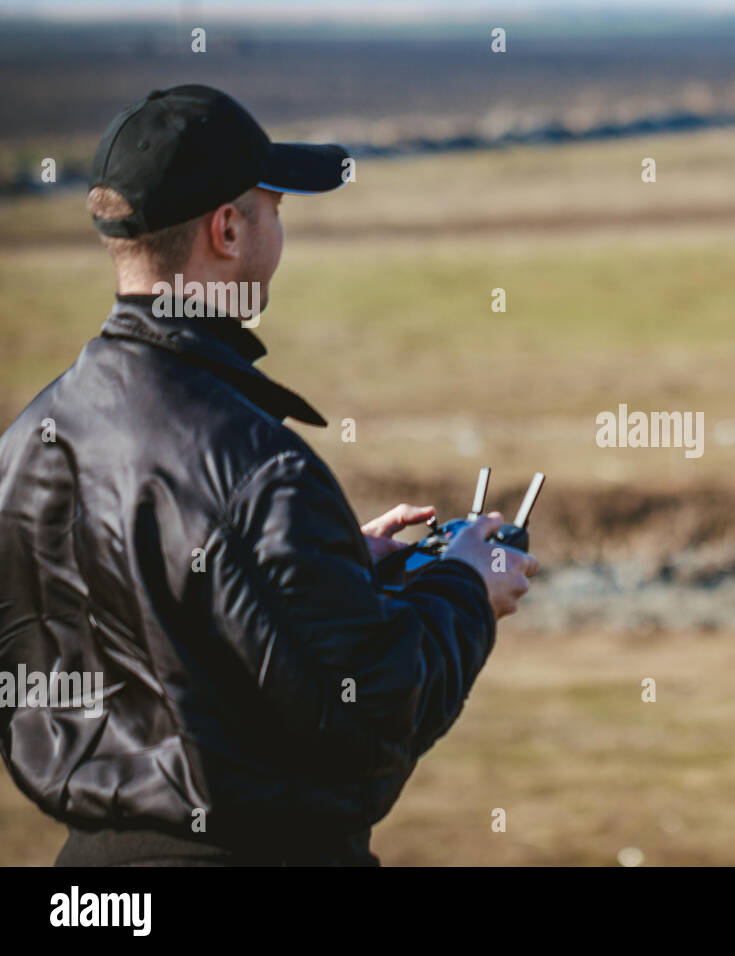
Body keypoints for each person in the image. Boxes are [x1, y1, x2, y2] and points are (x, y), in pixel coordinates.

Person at [0, 84, 538, 866]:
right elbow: (372, 714)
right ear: (226, 229)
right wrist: (464, 586)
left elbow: (148, 635)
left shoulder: (25, 442)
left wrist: (335, 572)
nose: (281, 232)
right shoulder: (257, 466)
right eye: (275, 208)